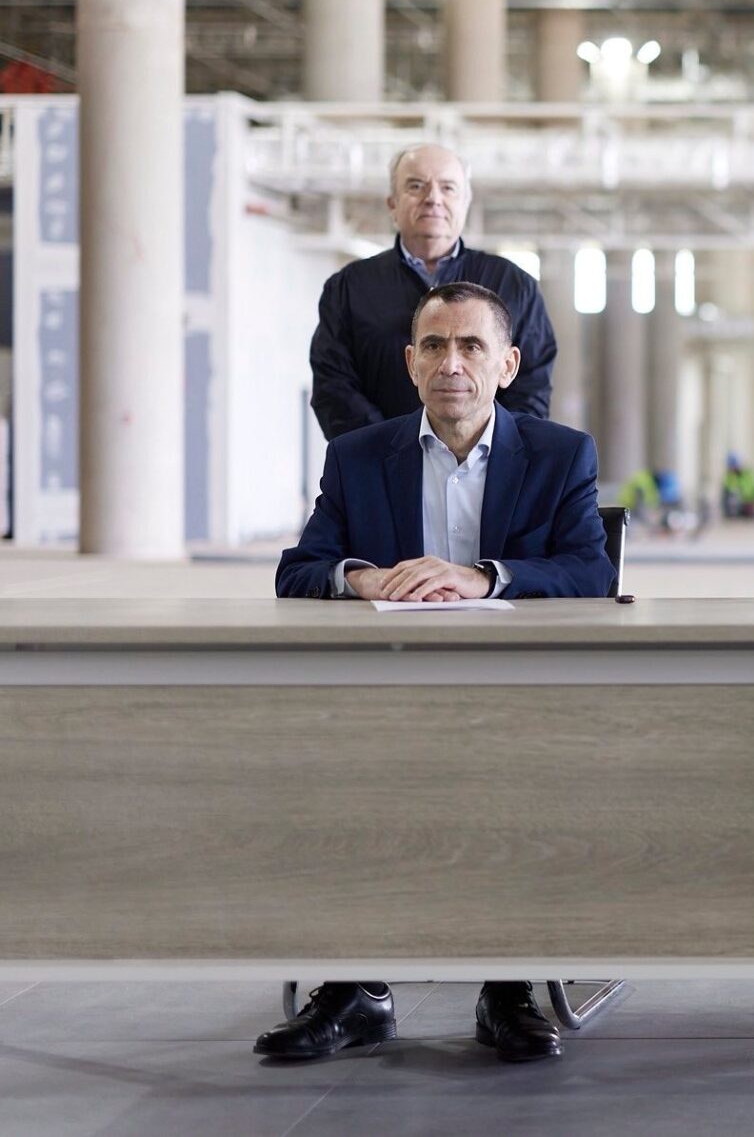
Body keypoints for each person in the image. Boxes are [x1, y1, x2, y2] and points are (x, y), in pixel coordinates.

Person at [266, 282, 613, 1064]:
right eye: (434, 346)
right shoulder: (359, 457)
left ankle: (507, 988)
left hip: (520, 703)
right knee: (333, 772)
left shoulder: (561, 455)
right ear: (410, 362)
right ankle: (355, 991)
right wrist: (361, 577)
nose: (451, 363)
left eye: (470, 346)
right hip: (386, 702)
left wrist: (484, 577)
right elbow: (299, 569)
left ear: (507, 364)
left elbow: (590, 571)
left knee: (515, 777)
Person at [308, 143, 557, 441]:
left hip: (486, 464)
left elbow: (531, 387)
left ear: (465, 202)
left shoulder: (515, 286)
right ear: (392, 203)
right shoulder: (349, 287)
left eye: (448, 188)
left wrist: (482, 452)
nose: (433, 199)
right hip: (377, 464)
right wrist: (390, 451)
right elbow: (333, 387)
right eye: (416, 186)